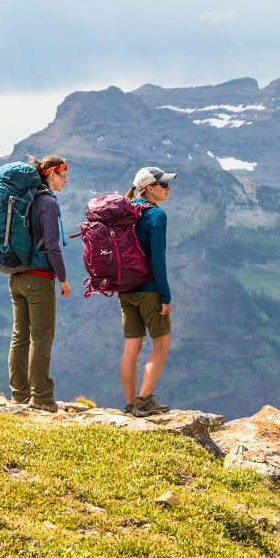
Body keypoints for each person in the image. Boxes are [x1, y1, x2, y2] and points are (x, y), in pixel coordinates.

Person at [8, 155, 70, 412]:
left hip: (16, 276)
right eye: (63, 175)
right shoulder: (46, 203)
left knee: (19, 336)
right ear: (51, 173)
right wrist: (64, 279)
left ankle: (19, 395)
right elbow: (53, 247)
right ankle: (42, 397)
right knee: (41, 337)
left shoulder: (24, 199)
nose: (66, 181)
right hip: (39, 279)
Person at [119, 166, 177, 417]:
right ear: (149, 189)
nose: (168, 188)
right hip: (149, 290)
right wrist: (165, 296)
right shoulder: (156, 216)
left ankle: (130, 404)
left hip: (126, 290)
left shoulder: (125, 211)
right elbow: (157, 261)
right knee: (161, 345)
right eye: (163, 185)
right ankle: (143, 402)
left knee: (131, 348)